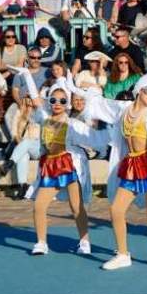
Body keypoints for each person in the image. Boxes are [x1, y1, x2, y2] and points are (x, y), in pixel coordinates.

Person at [69, 73, 147, 270]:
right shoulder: (123, 109)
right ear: (139, 90)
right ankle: (122, 254)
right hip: (131, 164)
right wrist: (77, 89)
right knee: (116, 209)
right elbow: (99, 103)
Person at [13, 69, 93, 255]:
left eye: (63, 101)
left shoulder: (72, 123)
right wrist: (26, 74)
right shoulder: (44, 117)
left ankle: (84, 242)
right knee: (39, 205)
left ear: (67, 104)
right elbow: (34, 97)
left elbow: (91, 138)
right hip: (50, 167)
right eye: (54, 100)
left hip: (68, 166)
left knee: (76, 206)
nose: (58, 103)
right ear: (49, 101)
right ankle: (41, 243)